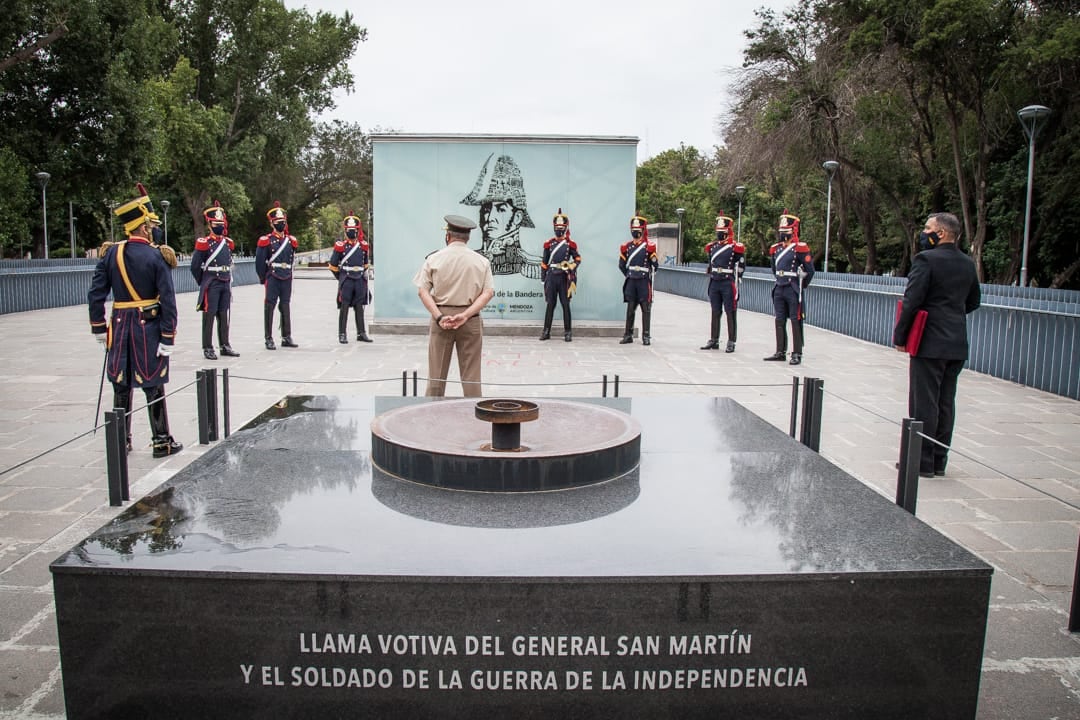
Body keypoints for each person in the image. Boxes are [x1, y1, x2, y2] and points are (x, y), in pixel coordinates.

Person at [88, 184, 182, 458]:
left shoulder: (111, 254)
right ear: (142, 227)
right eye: (150, 225)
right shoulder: (156, 256)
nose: (153, 229)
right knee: (152, 382)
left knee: (121, 382)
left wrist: (98, 325)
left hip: (119, 325)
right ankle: (161, 440)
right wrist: (167, 336)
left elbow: (96, 294)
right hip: (147, 326)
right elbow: (168, 300)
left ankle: (121, 439)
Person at [893, 212, 981, 478]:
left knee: (924, 403)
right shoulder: (967, 263)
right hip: (956, 343)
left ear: (940, 233)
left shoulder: (925, 260)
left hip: (928, 342)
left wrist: (900, 336)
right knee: (945, 402)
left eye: (928, 228)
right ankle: (940, 460)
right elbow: (973, 301)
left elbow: (912, 301)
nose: (924, 231)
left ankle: (922, 463)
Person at [413, 214, 495, 397]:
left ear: (448, 236)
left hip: (441, 317)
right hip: (470, 318)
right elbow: (488, 293)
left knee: (436, 375)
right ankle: (474, 415)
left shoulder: (434, 259)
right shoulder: (481, 261)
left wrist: (439, 316)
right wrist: (466, 315)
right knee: (471, 376)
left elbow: (422, 291)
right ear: (468, 237)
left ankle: (432, 413)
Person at [460, 152, 542, 278]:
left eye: (501, 210)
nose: (490, 218)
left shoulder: (531, 266)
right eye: (486, 210)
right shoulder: (467, 262)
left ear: (517, 217)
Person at [763, 210, 814, 365]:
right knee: (779, 320)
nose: (783, 235)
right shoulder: (776, 249)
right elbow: (774, 268)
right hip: (779, 286)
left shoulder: (800, 248)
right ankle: (780, 351)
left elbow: (810, 270)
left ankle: (797, 353)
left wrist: (801, 285)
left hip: (792, 287)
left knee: (795, 320)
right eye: (781, 231)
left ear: (793, 232)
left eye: (786, 232)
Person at [190, 201, 239, 360]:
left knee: (223, 314)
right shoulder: (204, 243)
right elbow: (195, 266)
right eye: (216, 223)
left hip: (225, 280)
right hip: (211, 282)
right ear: (209, 224)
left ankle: (225, 345)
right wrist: (204, 282)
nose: (219, 226)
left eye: (221, 223)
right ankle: (208, 346)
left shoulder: (227, 243)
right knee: (209, 315)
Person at [255, 201, 299, 349]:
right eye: (278, 222)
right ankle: (268, 337)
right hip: (273, 276)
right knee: (270, 306)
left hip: (286, 276)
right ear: (272, 223)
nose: (281, 224)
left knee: (285, 305)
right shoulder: (266, 240)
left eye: (283, 222)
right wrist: (263, 278)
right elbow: (260, 262)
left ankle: (287, 336)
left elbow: (291, 259)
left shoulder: (290, 241)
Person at [700, 213, 745, 352]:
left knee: (730, 311)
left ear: (727, 232)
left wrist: (737, 278)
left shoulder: (734, 248)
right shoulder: (712, 247)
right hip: (715, 281)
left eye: (722, 232)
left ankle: (731, 341)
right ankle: (714, 339)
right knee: (715, 311)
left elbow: (741, 266)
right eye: (718, 232)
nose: (719, 234)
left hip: (727, 281)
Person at [328, 212, 373, 343]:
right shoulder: (341, 246)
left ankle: (361, 332)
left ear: (357, 230)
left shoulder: (363, 246)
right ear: (345, 231)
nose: (351, 232)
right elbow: (333, 265)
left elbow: (365, 264)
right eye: (349, 230)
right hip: (347, 278)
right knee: (344, 306)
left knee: (359, 306)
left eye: (353, 230)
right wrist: (341, 278)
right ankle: (342, 333)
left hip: (359, 279)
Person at [539, 208, 582, 342]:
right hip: (551, 277)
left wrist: (571, 266)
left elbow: (578, 259)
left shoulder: (570, 244)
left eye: (561, 227)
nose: (559, 229)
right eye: (557, 227)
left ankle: (568, 332)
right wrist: (543, 279)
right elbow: (544, 262)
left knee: (565, 304)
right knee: (550, 304)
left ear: (565, 228)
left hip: (564, 277)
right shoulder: (549, 244)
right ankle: (546, 332)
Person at [618, 214, 659, 345]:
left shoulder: (648, 246)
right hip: (631, 280)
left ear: (642, 230)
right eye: (633, 229)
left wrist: (653, 263)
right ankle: (628, 334)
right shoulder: (627, 247)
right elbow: (621, 265)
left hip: (643, 281)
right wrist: (629, 274)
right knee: (630, 309)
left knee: (645, 309)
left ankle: (646, 336)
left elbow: (655, 265)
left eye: (637, 229)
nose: (635, 232)